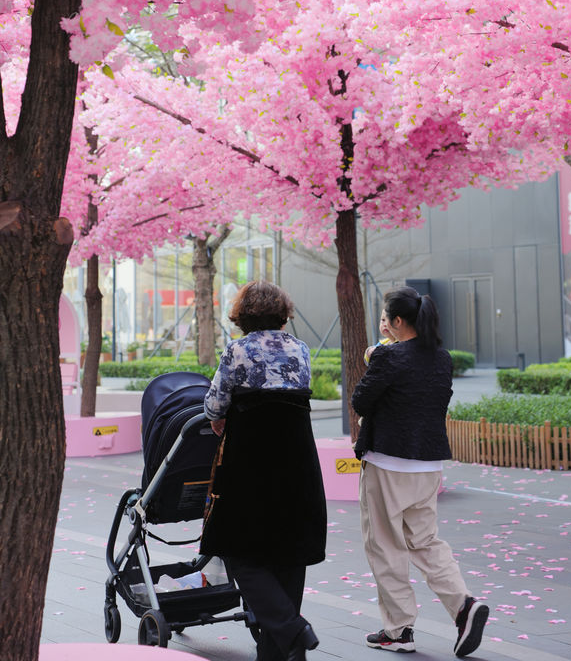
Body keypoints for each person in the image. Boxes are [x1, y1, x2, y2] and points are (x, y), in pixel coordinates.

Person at [352, 287, 489, 657]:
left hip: (387, 464)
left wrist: (375, 360)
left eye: (386, 317)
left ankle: (398, 630)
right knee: (425, 542)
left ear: (398, 321)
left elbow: (360, 400)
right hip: (428, 466)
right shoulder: (442, 359)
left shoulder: (388, 356)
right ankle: (463, 606)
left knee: (385, 544)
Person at [200, 280, 327, 661]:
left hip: (250, 465)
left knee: (237, 549)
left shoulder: (238, 350)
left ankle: (292, 630)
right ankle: (286, 652)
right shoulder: (300, 350)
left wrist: (221, 418)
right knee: (288, 556)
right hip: (298, 463)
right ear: (282, 312)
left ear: (243, 314)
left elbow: (214, 405)